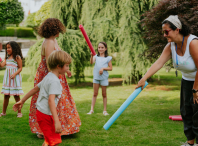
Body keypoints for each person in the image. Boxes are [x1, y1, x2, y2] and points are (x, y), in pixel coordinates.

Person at [136, 15, 198, 146]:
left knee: (197, 115)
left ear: (177, 29)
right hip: (186, 81)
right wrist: (143, 79)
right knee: (186, 112)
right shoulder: (171, 46)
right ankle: (190, 143)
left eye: (166, 31)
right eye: (163, 32)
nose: (164, 35)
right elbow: (159, 63)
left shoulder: (193, 43)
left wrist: (195, 89)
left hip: (197, 83)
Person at [29, 18, 81, 138]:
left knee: (60, 100)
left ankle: (61, 127)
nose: (60, 31)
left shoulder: (53, 40)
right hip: (50, 75)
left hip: (57, 74)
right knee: (51, 99)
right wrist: (55, 77)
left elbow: (59, 58)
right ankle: (45, 129)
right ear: (54, 30)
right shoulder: (49, 42)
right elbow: (49, 63)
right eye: (58, 29)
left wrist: (66, 70)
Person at [13, 50, 71, 146]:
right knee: (53, 142)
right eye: (67, 66)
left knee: (50, 141)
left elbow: (35, 89)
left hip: (42, 113)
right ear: (58, 66)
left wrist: (22, 100)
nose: (68, 68)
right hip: (45, 116)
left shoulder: (49, 76)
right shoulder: (54, 81)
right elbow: (51, 100)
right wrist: (57, 121)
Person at [87, 42, 112, 116]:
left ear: (105, 48)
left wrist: (103, 68)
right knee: (95, 94)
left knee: (104, 94)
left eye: (102, 47)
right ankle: (91, 110)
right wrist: (91, 56)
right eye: (99, 47)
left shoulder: (108, 58)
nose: (100, 49)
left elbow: (110, 68)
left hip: (104, 78)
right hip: (96, 78)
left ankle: (105, 111)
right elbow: (91, 62)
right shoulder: (95, 57)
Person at [0, 41, 23, 118]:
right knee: (6, 96)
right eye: (6, 48)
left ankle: (19, 112)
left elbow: (20, 68)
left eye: (9, 47)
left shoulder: (17, 57)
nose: (7, 49)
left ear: (14, 48)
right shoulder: (7, 58)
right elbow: (1, 65)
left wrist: (14, 74)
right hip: (7, 80)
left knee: (16, 96)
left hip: (14, 80)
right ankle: (3, 112)